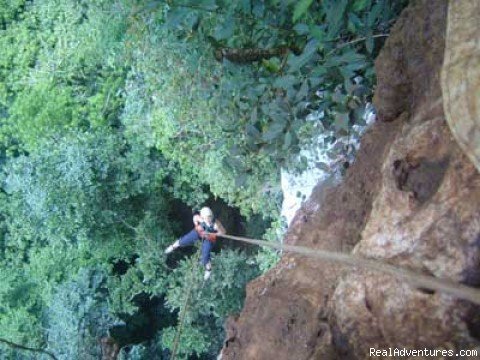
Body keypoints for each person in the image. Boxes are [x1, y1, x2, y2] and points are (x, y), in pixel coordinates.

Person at [165, 207, 226, 280]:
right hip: (199, 231)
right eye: (203, 217)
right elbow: (195, 218)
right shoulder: (200, 218)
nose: (205, 219)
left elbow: (223, 232)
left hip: (209, 236)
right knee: (184, 240)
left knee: (205, 255)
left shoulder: (216, 224)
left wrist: (214, 233)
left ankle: (208, 269)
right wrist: (197, 226)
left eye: (206, 218)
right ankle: (172, 247)